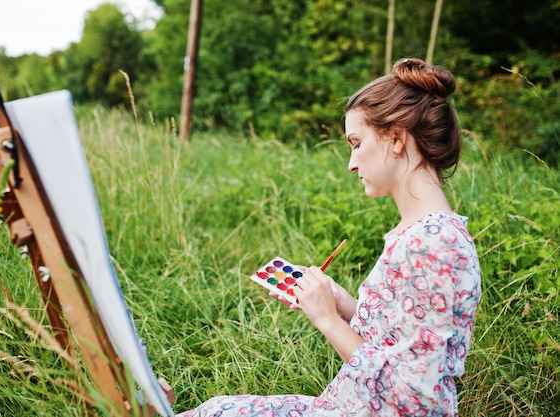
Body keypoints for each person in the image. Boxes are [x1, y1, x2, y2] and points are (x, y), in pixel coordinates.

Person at [176, 58, 482, 417]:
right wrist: (338, 301)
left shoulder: (432, 244)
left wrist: (327, 320)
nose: (351, 164)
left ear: (397, 138)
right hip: (350, 404)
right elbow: (393, 342)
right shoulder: (417, 233)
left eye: (356, 143)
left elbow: (413, 398)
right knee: (217, 408)